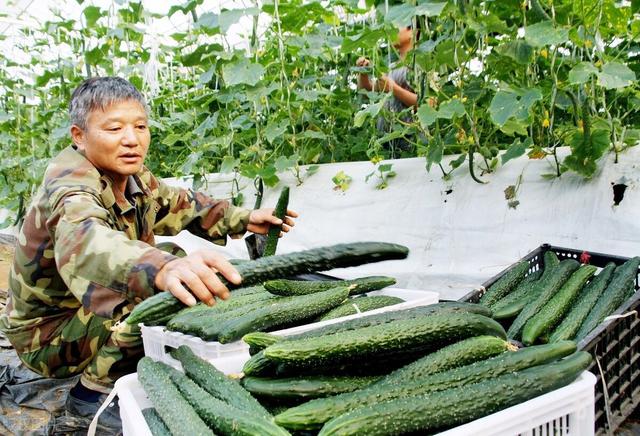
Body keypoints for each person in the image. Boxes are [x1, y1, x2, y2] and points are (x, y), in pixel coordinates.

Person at [0, 76, 297, 431]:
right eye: (114, 128)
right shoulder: (70, 187)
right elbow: (87, 241)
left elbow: (182, 203)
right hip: (47, 335)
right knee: (156, 290)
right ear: (79, 136)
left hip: (80, 311)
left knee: (172, 257)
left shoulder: (133, 177)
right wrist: (160, 269)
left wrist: (245, 218)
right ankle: (89, 395)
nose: (131, 138)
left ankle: (122, 347)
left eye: (140, 126)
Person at [356, 26, 432, 155]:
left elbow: (429, 104)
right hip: (388, 141)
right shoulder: (392, 67)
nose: (391, 31)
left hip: (412, 142)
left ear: (413, 31)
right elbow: (368, 90)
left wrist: (393, 88)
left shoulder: (423, 63)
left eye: (397, 27)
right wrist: (363, 72)